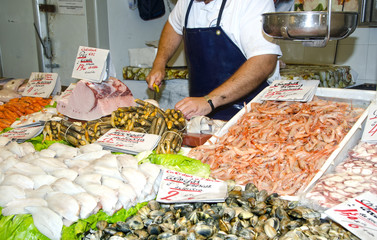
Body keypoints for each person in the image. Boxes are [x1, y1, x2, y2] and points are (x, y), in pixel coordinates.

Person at [146, 0, 282, 120]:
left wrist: (210, 101)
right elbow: (173, 27)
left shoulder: (252, 2)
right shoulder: (186, 2)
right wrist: (159, 63)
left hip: (253, 114)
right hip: (203, 116)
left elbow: (264, 62)